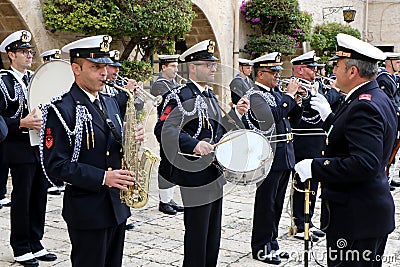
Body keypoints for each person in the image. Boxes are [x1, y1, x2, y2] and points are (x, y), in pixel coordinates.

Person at [41, 35, 144, 267]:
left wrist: (132, 139)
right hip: (88, 211)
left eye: (105, 66)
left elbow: (112, 146)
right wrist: (103, 177)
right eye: (95, 67)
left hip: (117, 207)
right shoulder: (61, 109)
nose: (104, 73)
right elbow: (56, 167)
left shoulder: (110, 102)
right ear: (76, 68)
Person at [295, 33, 397, 267]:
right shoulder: (372, 96)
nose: (334, 70)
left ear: (352, 71)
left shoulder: (363, 105)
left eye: (338, 65)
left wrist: (315, 166)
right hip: (364, 213)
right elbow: (349, 134)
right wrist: (329, 118)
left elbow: (364, 163)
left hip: (357, 218)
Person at [154, 40, 249, 267]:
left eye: (214, 64)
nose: (213, 68)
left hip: (214, 173)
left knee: (212, 234)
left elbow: (217, 130)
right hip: (194, 175)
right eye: (207, 64)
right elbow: (163, 129)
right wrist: (193, 144)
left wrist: (236, 114)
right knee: (197, 234)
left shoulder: (210, 97)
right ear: (192, 67)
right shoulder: (179, 95)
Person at [0, 30, 57, 266]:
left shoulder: (36, 78)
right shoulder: (2, 81)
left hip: (39, 146)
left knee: (39, 196)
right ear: (11, 55)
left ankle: (36, 242)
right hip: (18, 146)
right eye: (23, 52)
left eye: (30, 51)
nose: (29, 55)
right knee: (22, 197)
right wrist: (20, 123)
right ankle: (21, 247)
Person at [249, 52, 303, 265]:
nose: (278, 76)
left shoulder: (275, 94)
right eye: (273, 72)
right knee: (266, 204)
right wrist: (289, 97)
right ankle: (261, 247)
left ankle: (272, 243)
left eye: (279, 71)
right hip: (269, 155)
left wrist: (297, 101)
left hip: (285, 153)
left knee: (277, 203)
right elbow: (272, 117)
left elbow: (293, 119)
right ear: (260, 73)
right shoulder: (255, 95)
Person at [290, 51, 341, 243]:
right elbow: (314, 108)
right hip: (303, 143)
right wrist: (334, 92)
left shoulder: (315, 86)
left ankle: (308, 222)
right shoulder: (297, 88)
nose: (317, 70)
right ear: (301, 69)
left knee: (313, 185)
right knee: (302, 186)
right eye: (312, 67)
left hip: (318, 142)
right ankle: (299, 223)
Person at [150, 55, 184, 215]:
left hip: (178, 128)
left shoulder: (175, 83)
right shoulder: (159, 84)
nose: (176, 70)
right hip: (166, 128)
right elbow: (171, 100)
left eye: (176, 66)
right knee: (167, 164)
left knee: (174, 164)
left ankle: (169, 198)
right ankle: (163, 201)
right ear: (163, 67)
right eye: (173, 66)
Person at [377, 53, 400, 189]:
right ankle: (383, 178)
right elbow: (388, 100)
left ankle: (389, 177)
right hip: (390, 118)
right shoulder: (384, 79)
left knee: (393, 149)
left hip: (395, 118)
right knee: (387, 149)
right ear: (389, 63)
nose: (399, 65)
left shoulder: (392, 78)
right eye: (397, 62)